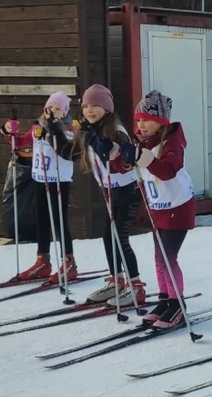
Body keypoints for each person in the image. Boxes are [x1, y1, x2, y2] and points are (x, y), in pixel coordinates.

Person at [118, 90, 195, 329]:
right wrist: (114, 154)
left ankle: (178, 304)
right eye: (138, 120)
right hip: (158, 207)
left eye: (146, 120)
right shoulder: (141, 141)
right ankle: (165, 299)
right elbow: (124, 166)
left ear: (161, 121)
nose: (141, 125)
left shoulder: (173, 143)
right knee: (158, 256)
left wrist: (143, 157)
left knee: (168, 257)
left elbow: (167, 170)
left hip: (177, 206)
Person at [72, 84, 146, 307]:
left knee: (120, 237)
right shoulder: (90, 129)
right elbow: (70, 153)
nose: (89, 110)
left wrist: (98, 142)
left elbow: (123, 163)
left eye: (95, 105)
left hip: (127, 189)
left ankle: (136, 286)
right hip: (109, 189)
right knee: (107, 235)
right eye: (85, 105)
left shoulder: (117, 131)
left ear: (107, 108)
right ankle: (117, 280)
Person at [1, 91, 79, 284]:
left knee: (59, 221)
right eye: (50, 107)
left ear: (64, 112)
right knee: (41, 218)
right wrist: (9, 132)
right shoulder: (38, 126)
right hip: (40, 177)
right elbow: (21, 143)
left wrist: (53, 131)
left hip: (58, 179)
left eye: (58, 108)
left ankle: (69, 262)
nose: (52, 111)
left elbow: (67, 149)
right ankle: (42, 260)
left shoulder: (69, 127)